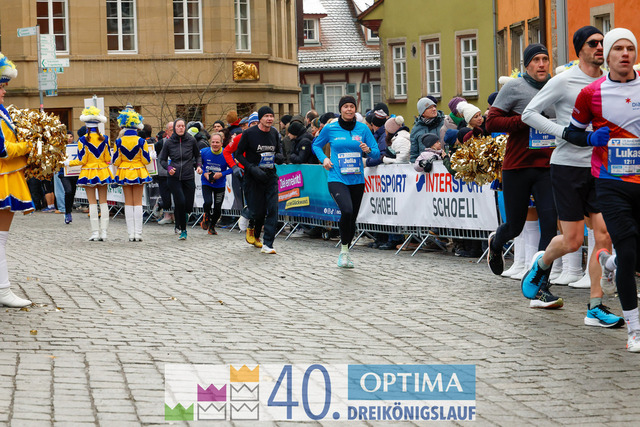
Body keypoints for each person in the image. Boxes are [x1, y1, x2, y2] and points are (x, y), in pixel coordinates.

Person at [521, 26, 623, 328]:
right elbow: (529, 113)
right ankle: (541, 264)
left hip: (601, 167)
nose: (600, 48)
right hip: (567, 167)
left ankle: (595, 306)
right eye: (593, 43)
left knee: (603, 235)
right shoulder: (564, 81)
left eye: (603, 43)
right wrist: (564, 132)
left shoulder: (611, 81)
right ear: (580, 49)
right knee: (573, 240)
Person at [561, 28, 640, 351]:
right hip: (611, 182)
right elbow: (572, 132)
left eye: (630, 48)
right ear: (607, 56)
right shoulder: (591, 93)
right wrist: (590, 138)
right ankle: (634, 330)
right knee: (629, 250)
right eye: (618, 48)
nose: (625, 54)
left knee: (632, 258)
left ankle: (610, 263)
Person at [485, 43, 561, 308]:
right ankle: (497, 242)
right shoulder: (514, 88)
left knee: (549, 225)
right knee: (515, 226)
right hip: (517, 166)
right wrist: (525, 120)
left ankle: (540, 284)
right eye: (536, 60)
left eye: (545, 59)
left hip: (548, 166)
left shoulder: (556, 86)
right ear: (527, 64)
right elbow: (491, 122)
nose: (541, 64)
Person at [312, 95, 380, 267]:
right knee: (347, 211)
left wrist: (368, 150)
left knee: (352, 217)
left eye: (352, 106)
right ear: (340, 109)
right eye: (346, 106)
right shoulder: (331, 128)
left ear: (355, 109)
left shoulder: (363, 129)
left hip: (357, 179)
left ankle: (346, 251)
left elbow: (376, 153)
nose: (349, 109)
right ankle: (343, 251)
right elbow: (316, 145)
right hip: (337, 177)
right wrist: (324, 159)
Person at [0, 53, 33, 307]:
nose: (4, 92)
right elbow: (2, 149)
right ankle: (3, 290)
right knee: (0, 238)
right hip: (3, 178)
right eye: (1, 87)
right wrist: (27, 147)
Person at [235, 106, 284, 254]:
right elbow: (238, 155)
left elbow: (279, 152)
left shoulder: (274, 133)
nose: (269, 119)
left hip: (270, 176)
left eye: (271, 116)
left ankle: (268, 244)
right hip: (253, 177)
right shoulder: (249, 133)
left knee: (273, 210)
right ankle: (250, 220)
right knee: (258, 212)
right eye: (266, 116)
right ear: (260, 118)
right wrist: (251, 168)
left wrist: (279, 157)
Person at [63, 107, 114, 241]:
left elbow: (82, 160)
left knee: (92, 203)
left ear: (86, 125)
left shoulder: (82, 140)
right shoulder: (105, 138)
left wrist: (68, 163)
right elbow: (108, 158)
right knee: (103, 202)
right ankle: (104, 233)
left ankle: (95, 233)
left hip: (89, 172)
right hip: (102, 171)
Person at [112, 106, 152, 241]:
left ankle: (130, 234)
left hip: (124, 171)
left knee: (128, 202)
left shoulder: (119, 141)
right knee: (138, 202)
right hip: (138, 171)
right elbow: (146, 160)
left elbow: (116, 161)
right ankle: (138, 234)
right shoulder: (141, 141)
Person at [159, 118, 202, 240]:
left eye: (183, 126)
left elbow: (198, 155)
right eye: (178, 126)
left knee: (188, 206)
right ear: (174, 128)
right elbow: (162, 160)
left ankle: (180, 220)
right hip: (174, 177)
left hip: (188, 176)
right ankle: (183, 230)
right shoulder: (169, 142)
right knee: (181, 202)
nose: (181, 128)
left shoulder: (191, 140)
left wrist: (199, 166)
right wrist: (168, 168)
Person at [200, 132, 232, 235]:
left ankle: (212, 227)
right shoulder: (204, 152)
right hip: (206, 182)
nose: (214, 144)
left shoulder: (226, 154)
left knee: (218, 208)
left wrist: (222, 174)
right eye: (213, 142)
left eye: (217, 142)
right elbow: (198, 164)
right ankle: (206, 216)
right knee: (208, 202)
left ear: (221, 143)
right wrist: (204, 173)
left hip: (220, 184)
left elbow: (233, 168)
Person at [410, 97, 445, 163]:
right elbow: (414, 154)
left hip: (444, 165)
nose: (434, 109)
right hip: (425, 167)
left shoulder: (444, 124)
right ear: (422, 113)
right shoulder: (416, 129)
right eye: (430, 107)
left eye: (434, 106)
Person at [155, 122, 174, 225]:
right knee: (166, 199)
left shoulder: (181, 142)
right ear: (166, 131)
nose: (174, 132)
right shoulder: (161, 143)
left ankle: (173, 216)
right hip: (163, 174)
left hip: (177, 174)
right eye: (171, 130)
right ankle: (161, 205)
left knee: (177, 197)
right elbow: (153, 154)